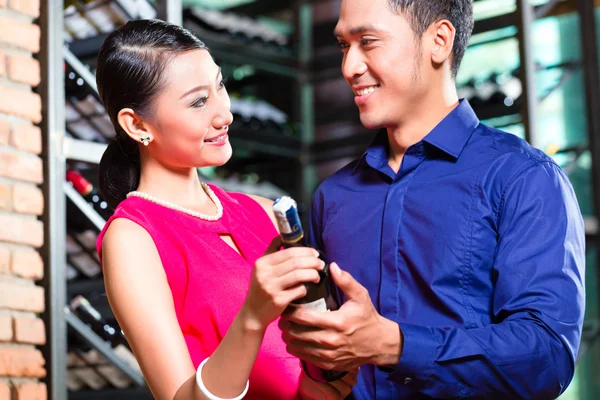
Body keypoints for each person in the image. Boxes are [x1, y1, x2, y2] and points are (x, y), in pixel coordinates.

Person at [279, 0, 586, 398]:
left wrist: (393, 345)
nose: (349, 67)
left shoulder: (523, 178)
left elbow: (546, 357)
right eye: (343, 45)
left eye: (368, 41)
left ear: (438, 41)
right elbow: (330, 368)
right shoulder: (333, 197)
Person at [94, 19, 357, 400]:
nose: (224, 114)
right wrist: (252, 316)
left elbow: (299, 368)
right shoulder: (132, 239)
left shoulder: (265, 213)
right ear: (137, 125)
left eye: (220, 86)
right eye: (199, 101)